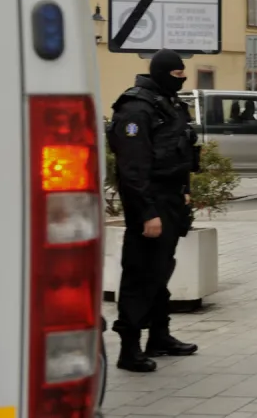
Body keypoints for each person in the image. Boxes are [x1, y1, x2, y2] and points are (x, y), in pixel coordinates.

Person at [107, 49, 200, 373]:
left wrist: (184, 191)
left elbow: (181, 152)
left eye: (183, 74)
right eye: (177, 75)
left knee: (161, 269)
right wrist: (147, 212)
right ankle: (129, 348)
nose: (182, 79)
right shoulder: (136, 108)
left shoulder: (168, 103)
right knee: (140, 273)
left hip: (170, 199)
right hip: (149, 201)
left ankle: (159, 336)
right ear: (162, 73)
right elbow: (132, 168)